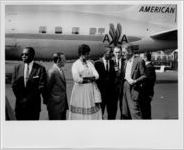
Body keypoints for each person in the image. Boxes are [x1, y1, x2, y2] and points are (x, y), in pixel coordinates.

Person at [12, 47, 47, 120]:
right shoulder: (17, 67)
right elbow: (14, 85)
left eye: (26, 54)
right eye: (22, 54)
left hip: (33, 107)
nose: (23, 56)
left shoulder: (40, 69)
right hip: (20, 106)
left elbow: (41, 86)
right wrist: (21, 98)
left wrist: (28, 99)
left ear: (33, 55)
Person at [68, 44, 102, 120]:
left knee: (90, 108)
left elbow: (96, 75)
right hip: (80, 91)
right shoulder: (76, 64)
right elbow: (76, 78)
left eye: (88, 53)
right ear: (81, 54)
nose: (88, 55)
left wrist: (86, 78)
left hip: (90, 90)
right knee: (81, 108)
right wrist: (88, 79)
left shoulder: (90, 63)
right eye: (86, 54)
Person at [121, 45, 146, 119]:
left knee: (134, 112)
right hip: (125, 86)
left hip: (133, 88)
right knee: (125, 112)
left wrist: (135, 81)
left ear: (130, 52)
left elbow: (144, 75)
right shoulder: (125, 61)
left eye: (124, 52)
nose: (122, 54)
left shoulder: (139, 61)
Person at [94, 47, 116, 119]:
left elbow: (114, 76)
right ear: (105, 53)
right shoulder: (97, 63)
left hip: (111, 94)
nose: (111, 54)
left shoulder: (113, 62)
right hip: (101, 93)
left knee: (111, 113)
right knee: (100, 112)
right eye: (110, 52)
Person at [45, 52, 68, 120]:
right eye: (64, 59)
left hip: (62, 106)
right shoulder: (51, 71)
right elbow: (47, 90)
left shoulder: (60, 70)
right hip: (55, 107)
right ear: (58, 60)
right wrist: (50, 105)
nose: (65, 61)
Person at [141, 52, 156, 119]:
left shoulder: (149, 67)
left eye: (142, 57)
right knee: (146, 110)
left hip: (146, 93)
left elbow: (147, 82)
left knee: (145, 111)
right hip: (148, 92)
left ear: (145, 58)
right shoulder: (149, 66)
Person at [113, 46, 125, 119]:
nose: (117, 54)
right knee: (113, 108)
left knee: (123, 107)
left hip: (123, 88)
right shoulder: (111, 61)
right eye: (116, 52)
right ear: (114, 53)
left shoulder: (125, 61)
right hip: (114, 89)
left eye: (119, 52)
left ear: (121, 52)